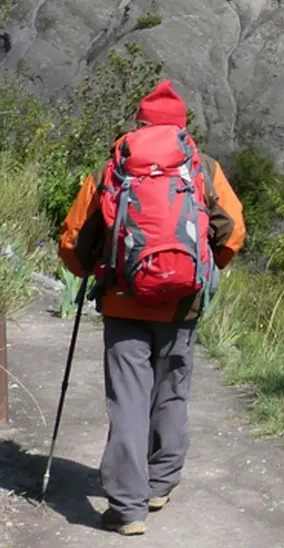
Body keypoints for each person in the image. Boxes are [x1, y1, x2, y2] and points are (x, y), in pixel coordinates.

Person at [59, 80, 246, 536]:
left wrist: (91, 270)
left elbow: (73, 245)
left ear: (139, 124)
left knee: (128, 401)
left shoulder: (114, 169)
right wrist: (201, 271)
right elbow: (233, 232)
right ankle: (159, 483)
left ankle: (127, 508)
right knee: (172, 395)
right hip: (182, 305)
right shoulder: (202, 170)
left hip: (124, 305)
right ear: (182, 128)